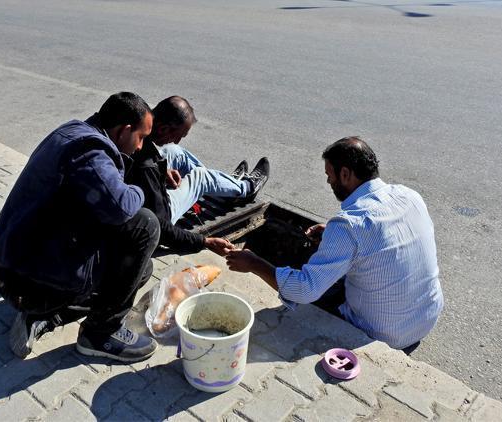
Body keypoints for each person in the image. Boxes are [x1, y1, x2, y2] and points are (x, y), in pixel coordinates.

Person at [225, 137, 444, 353]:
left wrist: (254, 264)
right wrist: (332, 234)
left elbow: (305, 290)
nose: (329, 182)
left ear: (345, 174)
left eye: (330, 176)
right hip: (425, 319)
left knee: (309, 290)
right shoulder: (410, 196)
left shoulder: (349, 225)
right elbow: (381, 238)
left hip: (384, 334)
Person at [0, 92, 160, 362]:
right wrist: (139, 188)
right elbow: (122, 206)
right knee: (145, 225)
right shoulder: (91, 152)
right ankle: (100, 334)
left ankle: (42, 315)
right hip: (25, 283)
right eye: (141, 137)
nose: (140, 147)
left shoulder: (74, 132)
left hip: (12, 272)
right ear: (125, 130)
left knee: (141, 269)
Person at [127, 95, 269, 254]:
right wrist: (203, 242)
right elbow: (161, 227)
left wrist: (162, 171)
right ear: (163, 129)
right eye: (178, 136)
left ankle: (225, 186)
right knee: (201, 177)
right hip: (163, 212)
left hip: (147, 189)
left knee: (175, 152)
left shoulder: (136, 136)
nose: (177, 141)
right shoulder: (146, 167)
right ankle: (246, 188)